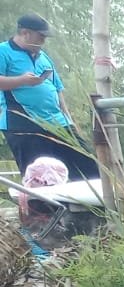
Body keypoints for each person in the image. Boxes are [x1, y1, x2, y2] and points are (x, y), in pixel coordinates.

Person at [0, 14, 98, 180]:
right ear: (25, 33)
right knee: (40, 174)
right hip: (25, 123)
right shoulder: (3, 51)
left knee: (88, 163)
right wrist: (22, 80)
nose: (43, 41)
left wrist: (69, 119)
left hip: (58, 122)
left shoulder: (44, 57)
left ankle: (90, 204)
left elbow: (57, 88)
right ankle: (42, 206)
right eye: (41, 36)